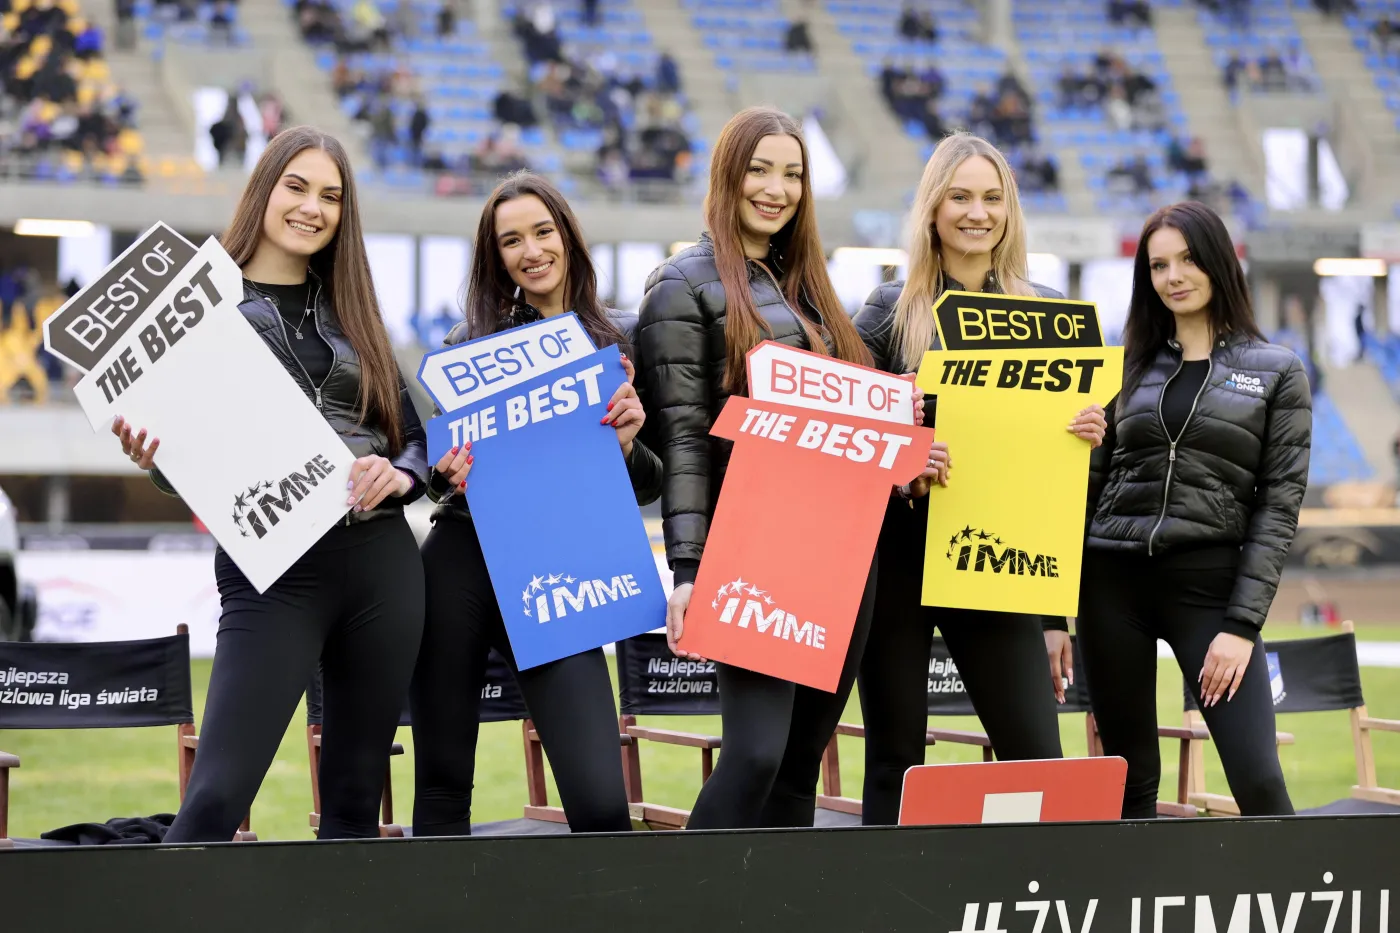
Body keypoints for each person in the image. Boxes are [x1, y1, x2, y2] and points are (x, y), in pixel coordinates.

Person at [112, 126, 429, 842]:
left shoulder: (354, 309)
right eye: (297, 186)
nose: (313, 207)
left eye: (331, 196)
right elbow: (184, 453)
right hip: (272, 568)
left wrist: (400, 473)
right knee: (215, 799)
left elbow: (418, 438)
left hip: (382, 564)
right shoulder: (194, 305)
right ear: (263, 188)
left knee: (355, 803)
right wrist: (153, 456)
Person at [635, 106, 886, 830]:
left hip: (844, 547)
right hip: (754, 550)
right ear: (728, 175)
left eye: (793, 174)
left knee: (801, 760)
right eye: (760, 169)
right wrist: (687, 567)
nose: (776, 188)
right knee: (754, 756)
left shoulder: (810, 285)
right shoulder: (680, 284)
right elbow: (683, 437)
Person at [851, 131, 1107, 826]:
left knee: (1036, 755)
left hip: (996, 563)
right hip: (899, 562)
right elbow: (847, 441)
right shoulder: (884, 311)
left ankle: (1033, 897)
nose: (977, 212)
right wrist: (900, 457)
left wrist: (1085, 434)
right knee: (895, 757)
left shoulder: (1049, 313)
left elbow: (1059, 478)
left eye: (992, 197)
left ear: (1010, 209)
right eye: (959, 196)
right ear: (932, 208)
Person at [410, 171, 660, 836]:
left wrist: (630, 444)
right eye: (511, 240)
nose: (531, 250)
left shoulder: (618, 343)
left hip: (559, 567)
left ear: (568, 236)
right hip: (461, 561)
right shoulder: (467, 347)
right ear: (496, 258)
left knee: (601, 803)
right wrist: (445, 472)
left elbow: (650, 483)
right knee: (439, 788)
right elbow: (436, 470)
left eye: (542, 231)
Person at [1077, 200, 1309, 819]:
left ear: (1216, 261)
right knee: (1128, 786)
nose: (1173, 276)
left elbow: (1278, 508)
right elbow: (1086, 492)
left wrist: (1241, 627)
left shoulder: (1278, 371)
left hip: (1209, 589)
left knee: (1257, 778)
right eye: (1157, 266)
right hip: (1110, 584)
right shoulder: (1122, 367)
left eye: (1185, 259)